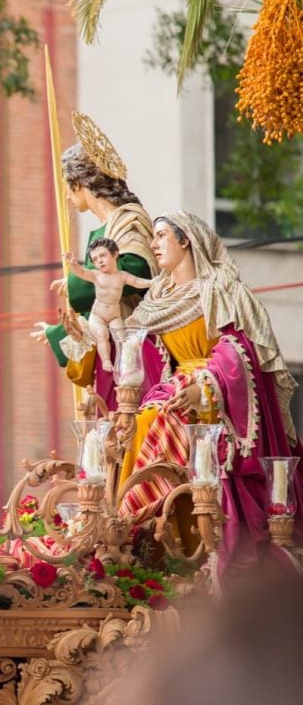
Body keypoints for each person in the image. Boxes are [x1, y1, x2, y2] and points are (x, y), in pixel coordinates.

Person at [118, 211, 302, 577]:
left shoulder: (219, 287)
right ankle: (134, 530)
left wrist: (204, 386)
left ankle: (181, 538)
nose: (154, 245)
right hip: (177, 388)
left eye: (161, 236)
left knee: (165, 426)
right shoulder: (159, 295)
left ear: (185, 240)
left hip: (214, 397)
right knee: (138, 425)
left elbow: (238, 349)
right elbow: (151, 358)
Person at [32, 113, 156, 407]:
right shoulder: (103, 230)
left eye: (67, 186)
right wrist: (59, 331)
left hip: (133, 350)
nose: (66, 197)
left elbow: (138, 268)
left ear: (81, 183)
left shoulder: (128, 221)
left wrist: (81, 280)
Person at [63, 238, 154, 372]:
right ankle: (106, 361)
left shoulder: (122, 276)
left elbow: (136, 282)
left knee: (121, 337)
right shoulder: (96, 275)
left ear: (115, 254)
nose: (99, 261)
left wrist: (151, 283)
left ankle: (125, 362)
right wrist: (74, 265)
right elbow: (81, 272)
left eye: (103, 255)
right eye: (95, 259)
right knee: (102, 334)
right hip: (97, 315)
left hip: (114, 315)